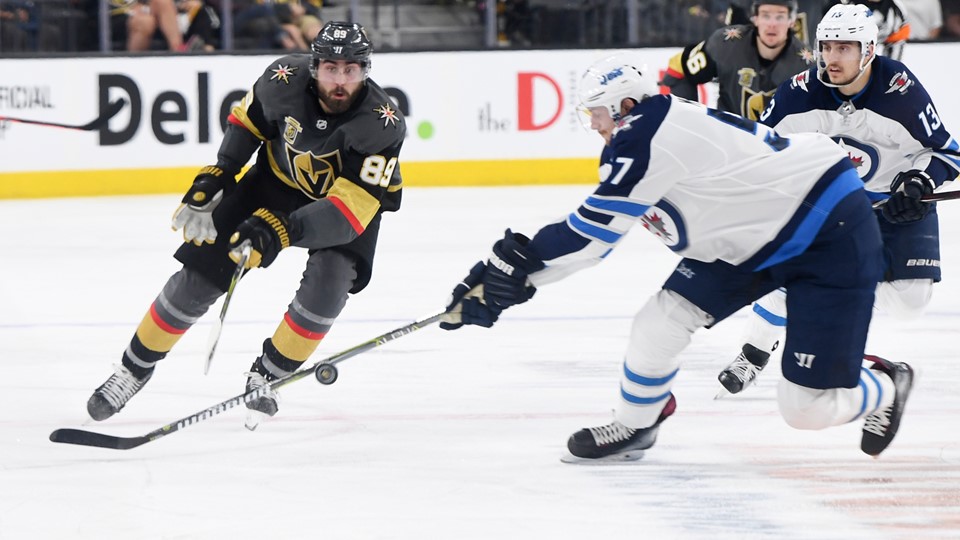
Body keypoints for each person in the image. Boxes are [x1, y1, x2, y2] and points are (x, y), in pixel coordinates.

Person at [441, 52, 915, 462]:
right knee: (659, 322)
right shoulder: (650, 128)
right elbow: (594, 237)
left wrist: (512, 274)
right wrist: (510, 278)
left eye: (597, 115)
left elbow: (591, 238)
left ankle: (887, 385)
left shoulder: (645, 136)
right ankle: (636, 424)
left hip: (829, 230)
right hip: (754, 238)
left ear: (625, 106)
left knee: (806, 409)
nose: (594, 126)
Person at [85, 21, 405, 426]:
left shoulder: (382, 124)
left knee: (330, 283)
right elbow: (248, 123)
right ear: (313, 66)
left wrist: (281, 230)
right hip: (274, 183)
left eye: (351, 70)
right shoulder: (280, 80)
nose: (340, 80)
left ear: (366, 71)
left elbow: (349, 213)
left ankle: (268, 375)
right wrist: (219, 173)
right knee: (198, 276)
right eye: (331, 68)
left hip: (342, 204)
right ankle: (133, 369)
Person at [716, 3, 960, 395]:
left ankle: (827, 289)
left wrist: (917, 183)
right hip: (835, 207)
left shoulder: (899, 91)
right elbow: (760, 151)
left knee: (912, 301)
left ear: (868, 51)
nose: (832, 57)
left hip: (897, 203)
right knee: (787, 272)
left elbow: (947, 153)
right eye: (827, 46)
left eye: (844, 48)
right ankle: (754, 351)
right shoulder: (798, 94)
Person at [661, 0, 814, 120]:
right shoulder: (725, 44)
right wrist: (690, 122)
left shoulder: (807, 64)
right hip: (729, 147)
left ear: (792, 21)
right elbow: (678, 68)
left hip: (782, 152)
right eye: (766, 15)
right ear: (755, 18)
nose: (772, 24)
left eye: (780, 16)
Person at [823, 0, 910, 60]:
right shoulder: (843, 4)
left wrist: (888, 71)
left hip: (870, 50)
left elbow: (896, 43)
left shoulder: (896, 10)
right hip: (842, 47)